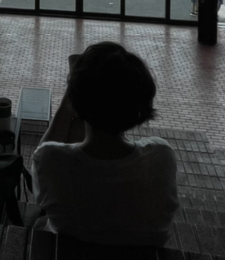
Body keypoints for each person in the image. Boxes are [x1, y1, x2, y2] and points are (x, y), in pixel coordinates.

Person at [32, 43, 178, 247]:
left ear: (76, 101)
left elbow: (42, 155)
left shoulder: (50, 161)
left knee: (38, 223)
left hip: (70, 249)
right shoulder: (161, 157)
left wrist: (71, 95)